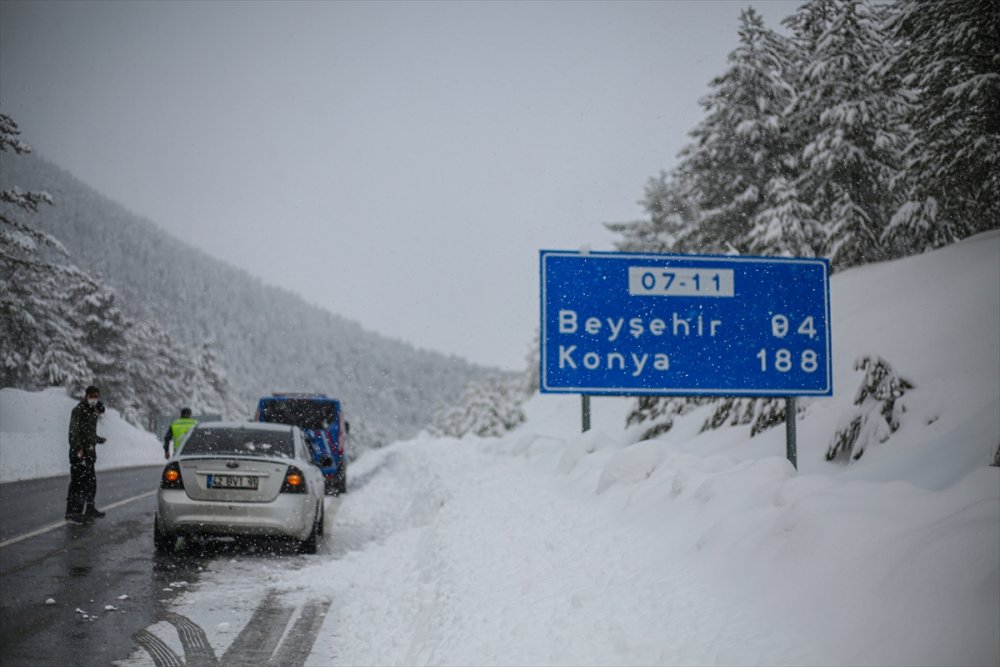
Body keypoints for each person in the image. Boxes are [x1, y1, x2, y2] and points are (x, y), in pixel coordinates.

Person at [66, 385, 107, 524]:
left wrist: (97, 439)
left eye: (96, 396)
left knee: (91, 483)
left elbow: (88, 434)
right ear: (86, 396)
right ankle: (73, 512)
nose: (94, 399)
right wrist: (78, 448)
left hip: (89, 454)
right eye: (92, 396)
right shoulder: (78, 410)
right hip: (79, 454)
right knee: (78, 483)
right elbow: (74, 431)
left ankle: (90, 507)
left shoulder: (92, 412)